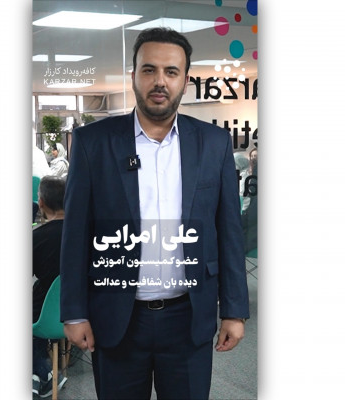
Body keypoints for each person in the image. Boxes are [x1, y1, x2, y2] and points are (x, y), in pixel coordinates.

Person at [60, 27, 249, 399]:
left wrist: (234, 310)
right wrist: (74, 312)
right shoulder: (93, 143)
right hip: (117, 317)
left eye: (171, 71)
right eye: (149, 70)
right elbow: (76, 234)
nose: (160, 81)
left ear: (185, 80)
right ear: (134, 76)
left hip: (188, 317)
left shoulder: (213, 143)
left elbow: (228, 231)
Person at [33, 176, 67, 397]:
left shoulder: (36, 237)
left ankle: (42, 373)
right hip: (79, 315)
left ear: (41, 203)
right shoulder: (84, 233)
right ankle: (44, 371)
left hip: (43, 317)